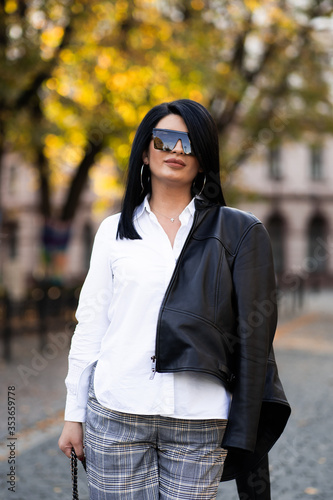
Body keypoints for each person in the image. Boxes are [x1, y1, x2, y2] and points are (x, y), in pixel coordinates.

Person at [59, 99, 291, 500]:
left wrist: (244, 423)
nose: (178, 151)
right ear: (145, 153)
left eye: (190, 143)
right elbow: (91, 327)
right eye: (165, 140)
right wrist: (72, 414)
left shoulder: (236, 232)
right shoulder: (113, 232)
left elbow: (254, 339)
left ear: (204, 158)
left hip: (199, 419)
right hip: (117, 413)